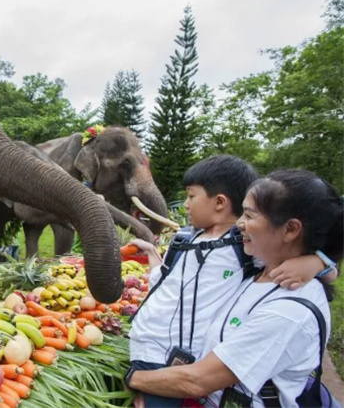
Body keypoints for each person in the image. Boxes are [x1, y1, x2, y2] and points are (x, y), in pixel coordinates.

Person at [127, 156, 333, 407]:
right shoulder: (258, 273)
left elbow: (197, 381)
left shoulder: (287, 308)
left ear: (290, 230)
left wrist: (134, 378)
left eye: (248, 215)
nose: (238, 224)